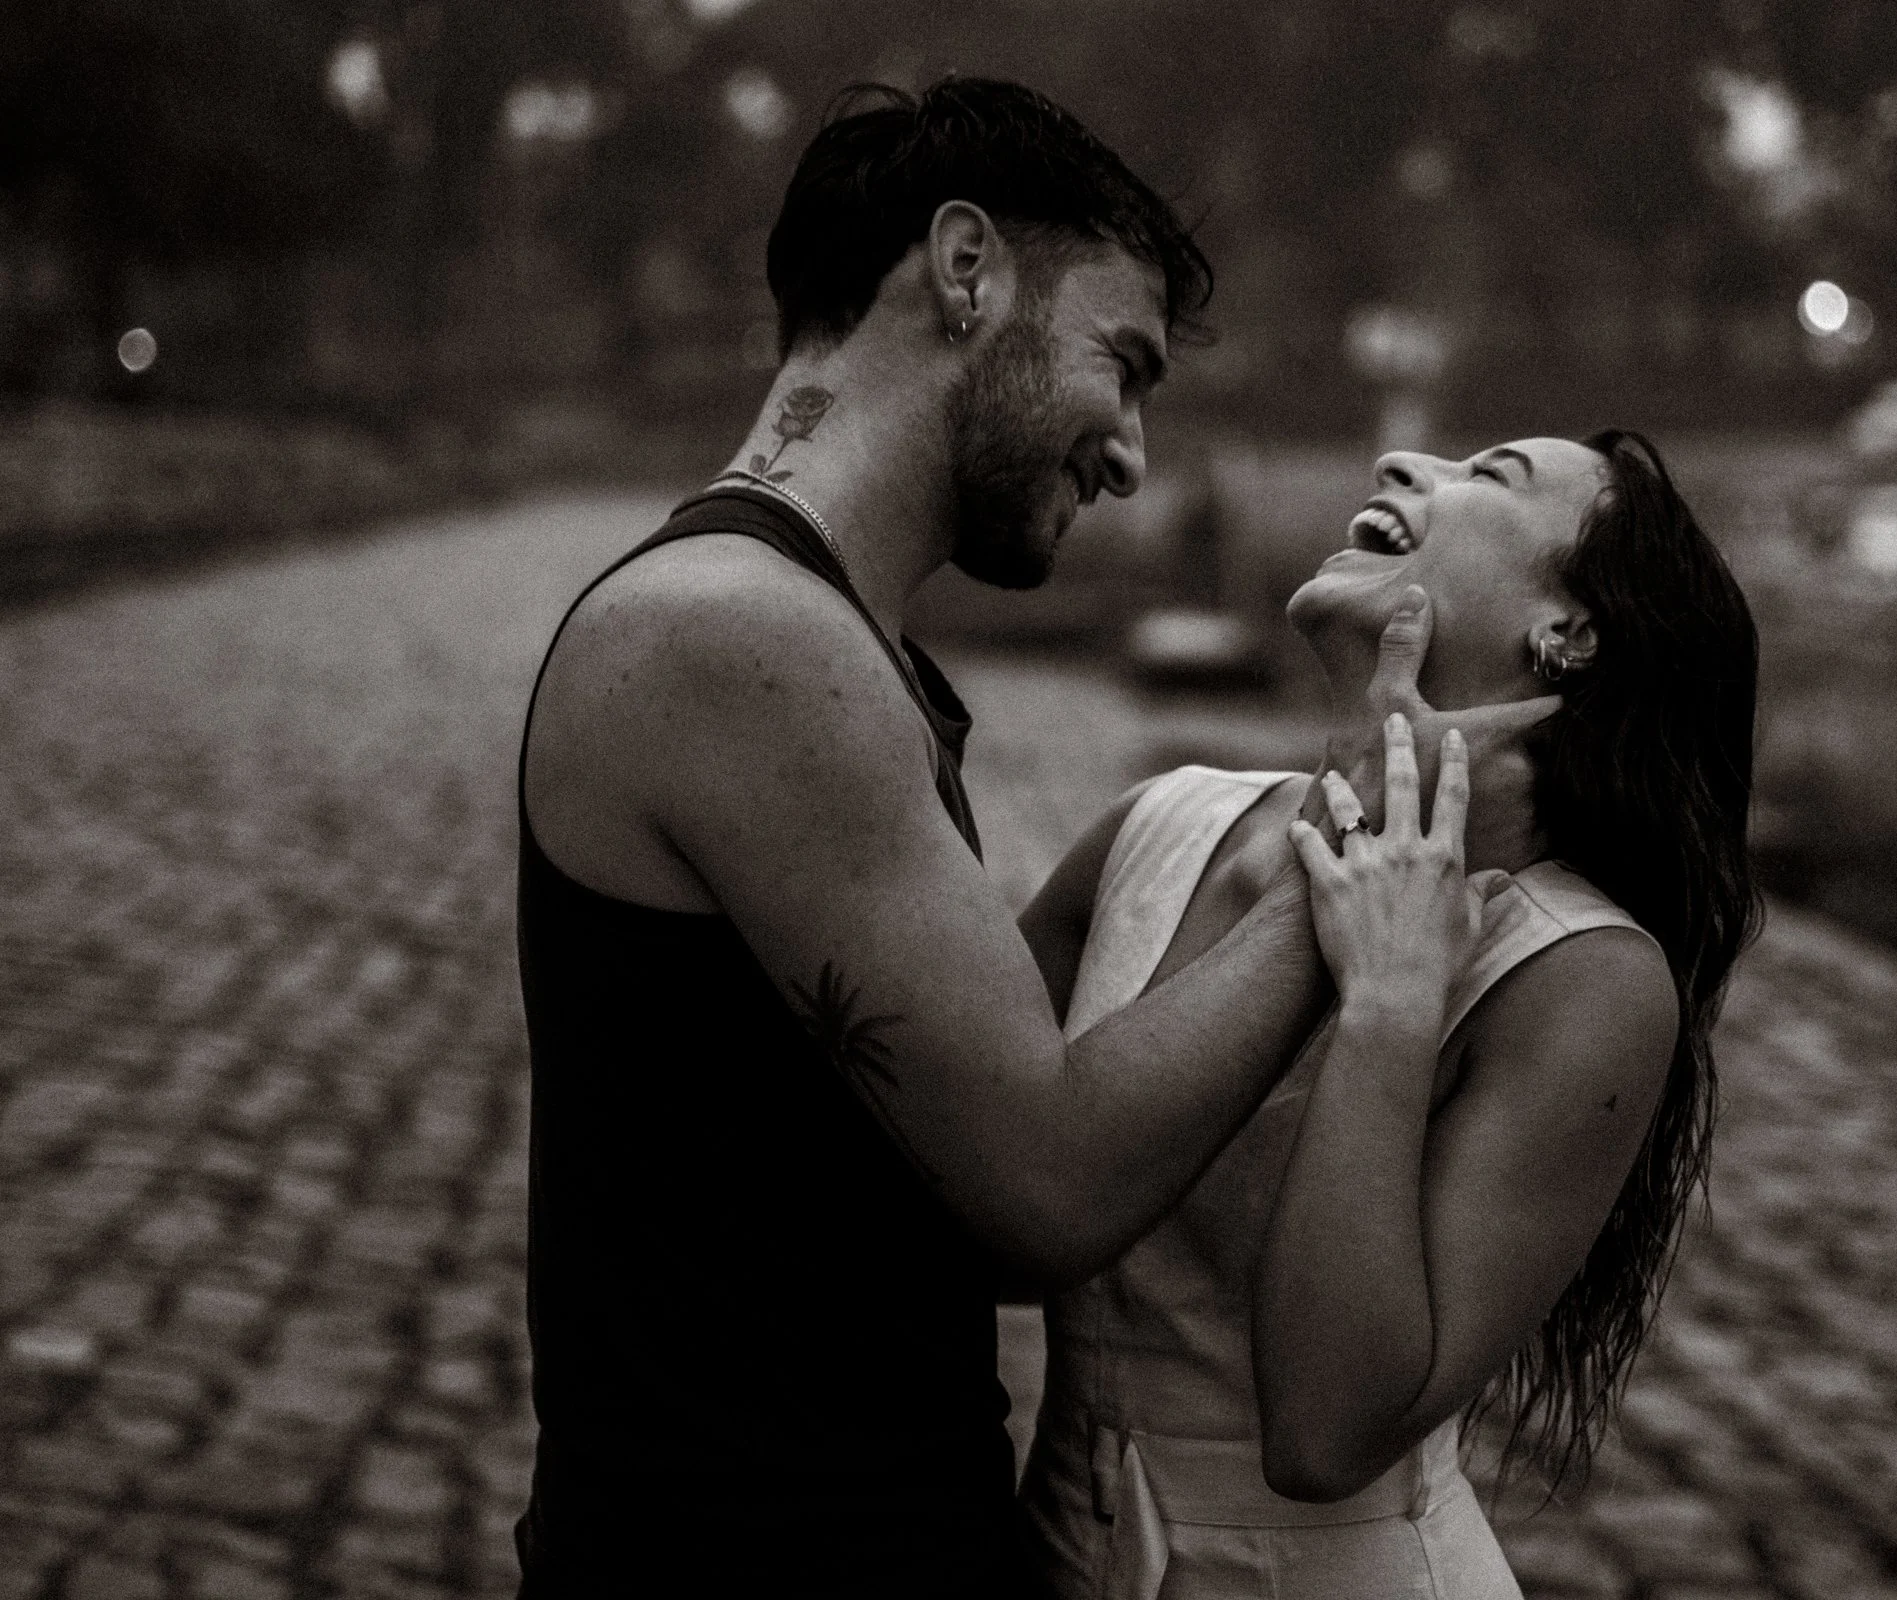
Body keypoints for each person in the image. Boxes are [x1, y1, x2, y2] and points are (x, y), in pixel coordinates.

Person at [511, 79, 1550, 1596]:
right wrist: (1376, 834)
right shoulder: (737, 636)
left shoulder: (818, 639)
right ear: (966, 267)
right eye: (1119, 366)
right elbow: (1044, 1187)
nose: (1128, 454)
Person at [1017, 431, 1763, 1599]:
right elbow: (981, 1198)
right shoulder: (1155, 826)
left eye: (1493, 476)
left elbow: (1324, 1431)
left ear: (1565, 635)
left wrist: (1393, 1000)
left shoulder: (1584, 976)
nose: (1408, 458)